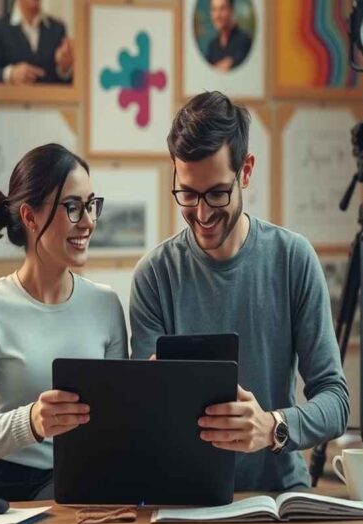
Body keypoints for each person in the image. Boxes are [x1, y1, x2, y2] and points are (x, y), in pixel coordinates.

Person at [130, 91, 350, 491]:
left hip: (279, 493)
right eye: (188, 194)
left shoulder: (293, 259)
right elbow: (142, 419)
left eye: (217, 193)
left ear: (245, 171)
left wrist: (272, 427)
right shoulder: (154, 275)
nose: (202, 213)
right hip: (182, 495)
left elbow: (336, 401)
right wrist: (147, 395)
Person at [0, 144, 127, 500]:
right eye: (73, 208)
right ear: (29, 218)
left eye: (91, 205)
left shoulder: (105, 305)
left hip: (62, 482)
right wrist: (32, 421)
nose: (89, 221)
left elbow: (115, 428)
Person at [0, 0, 74, 85]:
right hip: (10, 97)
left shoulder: (57, 29)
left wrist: (64, 69)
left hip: (49, 97)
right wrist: (10, 74)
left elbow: (65, 82)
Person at [206, 0, 253, 70]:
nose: (217, 15)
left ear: (232, 10)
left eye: (222, 9)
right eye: (214, 10)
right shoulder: (212, 46)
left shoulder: (244, 41)